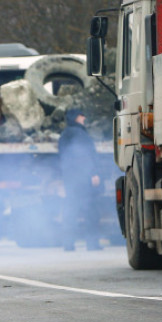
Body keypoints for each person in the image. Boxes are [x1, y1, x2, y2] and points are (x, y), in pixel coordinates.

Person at [58, 107, 102, 251]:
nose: (84, 118)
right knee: (90, 210)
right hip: (82, 178)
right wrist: (93, 173)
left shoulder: (65, 134)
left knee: (70, 211)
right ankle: (92, 243)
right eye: (82, 115)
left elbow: (63, 158)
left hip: (70, 178)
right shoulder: (80, 134)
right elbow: (86, 156)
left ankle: (68, 244)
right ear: (76, 117)